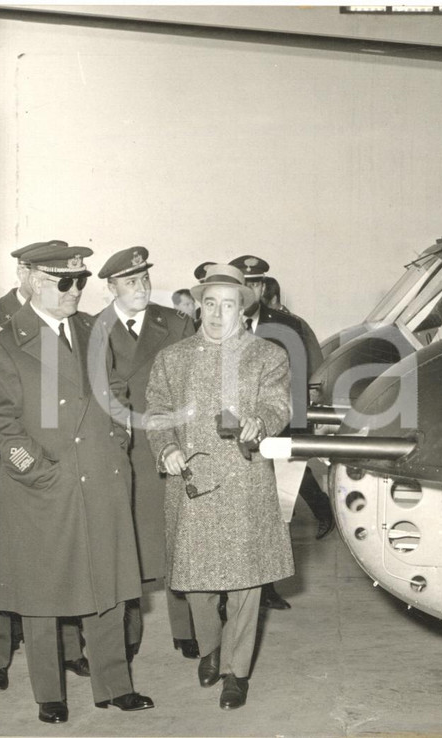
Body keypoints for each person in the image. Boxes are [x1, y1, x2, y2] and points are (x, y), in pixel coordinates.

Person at [0, 241, 153, 723]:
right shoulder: (3, 341)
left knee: (107, 584)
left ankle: (114, 685)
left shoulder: (95, 329)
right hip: (43, 486)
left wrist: (118, 435)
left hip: (102, 476)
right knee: (41, 594)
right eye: (64, 281)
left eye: (81, 280)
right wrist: (37, 471)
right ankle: (49, 693)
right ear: (32, 279)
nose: (76, 289)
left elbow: (114, 388)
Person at [145, 263, 294, 710]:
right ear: (198, 308)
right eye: (209, 303)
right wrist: (165, 447)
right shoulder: (174, 357)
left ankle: (236, 671)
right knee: (197, 584)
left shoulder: (267, 355)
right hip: (193, 483)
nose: (216, 313)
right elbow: (157, 411)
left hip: (244, 481)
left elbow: (277, 403)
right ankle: (210, 648)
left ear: (243, 311)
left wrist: (260, 422)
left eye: (227, 305)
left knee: (246, 584)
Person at [0, 242, 86, 693]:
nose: (66, 282)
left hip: (53, 455)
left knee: (61, 549)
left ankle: (70, 649)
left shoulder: (67, 318)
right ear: (24, 272)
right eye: (42, 270)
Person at [95, 247, 198, 661]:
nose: (140, 288)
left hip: (168, 444)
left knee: (175, 538)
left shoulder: (175, 322)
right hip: (120, 450)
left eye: (144, 279)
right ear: (111, 287)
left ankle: (186, 627)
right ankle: (128, 629)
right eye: (129, 281)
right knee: (127, 544)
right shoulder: (92, 329)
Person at [230, 255, 334, 586]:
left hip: (280, 427)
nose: (252, 290)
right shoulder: (219, 322)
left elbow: (300, 376)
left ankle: (269, 585)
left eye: (258, 283)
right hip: (236, 432)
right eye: (245, 283)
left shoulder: (287, 326)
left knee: (279, 510)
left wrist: (300, 426)